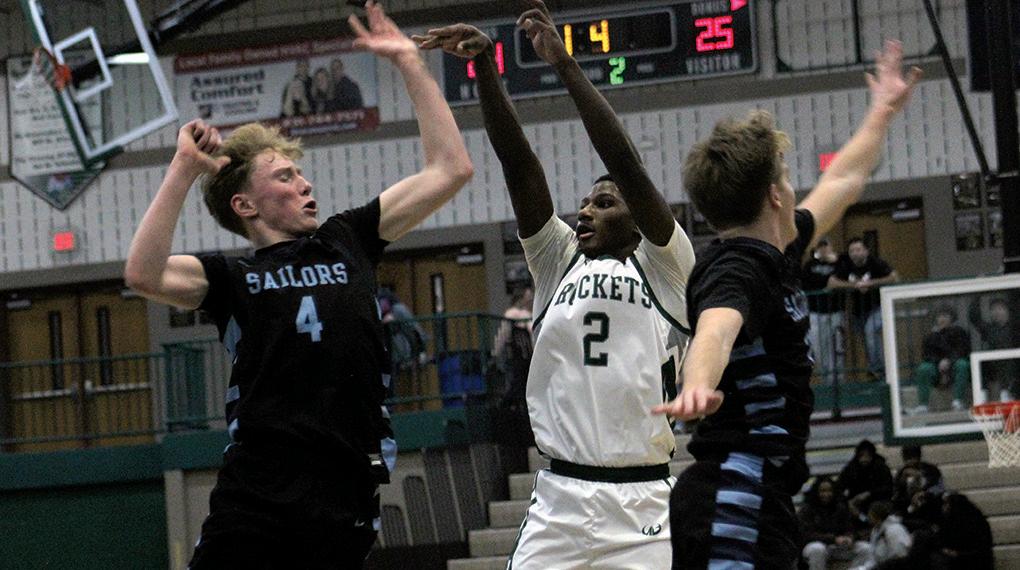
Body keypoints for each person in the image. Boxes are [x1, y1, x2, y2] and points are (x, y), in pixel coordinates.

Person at [123, 3, 473, 567]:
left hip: (344, 488)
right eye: (285, 176)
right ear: (245, 204)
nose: (305, 184)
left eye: (300, 173)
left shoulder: (347, 239)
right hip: (257, 493)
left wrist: (410, 63)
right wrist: (183, 170)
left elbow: (450, 169)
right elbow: (142, 272)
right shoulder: (233, 278)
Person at [415, 1, 696, 565]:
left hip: (643, 501)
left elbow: (626, 163)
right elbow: (520, 166)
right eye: (585, 202)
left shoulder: (667, 265)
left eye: (604, 202)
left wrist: (566, 66)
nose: (585, 210)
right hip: (560, 497)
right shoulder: (558, 259)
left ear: (638, 218)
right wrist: (486, 69)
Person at [654, 40, 920, 569]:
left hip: (758, 491)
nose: (795, 187)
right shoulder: (736, 268)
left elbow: (843, 180)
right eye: (787, 178)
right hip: (733, 495)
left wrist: (882, 111)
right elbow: (715, 330)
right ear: (776, 195)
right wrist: (698, 384)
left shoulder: (778, 249)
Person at [828, 238, 899, 381]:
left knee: (870, 332)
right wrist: (855, 285)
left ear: (866, 251)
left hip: (877, 307)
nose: (855, 253)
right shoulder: (846, 265)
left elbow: (894, 277)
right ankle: (878, 370)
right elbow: (832, 283)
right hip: (858, 311)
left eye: (858, 250)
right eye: (852, 251)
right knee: (868, 341)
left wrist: (870, 283)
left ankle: (879, 371)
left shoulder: (875, 263)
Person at [912, 305, 972, 413]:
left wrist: (949, 361)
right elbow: (927, 355)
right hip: (936, 368)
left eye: (945, 316)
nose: (942, 319)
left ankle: (958, 401)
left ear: (951, 318)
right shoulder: (931, 336)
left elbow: (962, 351)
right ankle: (923, 404)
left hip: (954, 366)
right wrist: (939, 363)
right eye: (939, 316)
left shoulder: (960, 332)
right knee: (923, 369)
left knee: (963, 364)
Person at [799, 476, 868, 570]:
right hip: (815, 545)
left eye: (829, 491)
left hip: (837, 546)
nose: (826, 494)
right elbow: (806, 534)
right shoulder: (807, 509)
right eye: (822, 491)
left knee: (865, 549)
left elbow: (849, 527)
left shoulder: (840, 507)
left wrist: (850, 537)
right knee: (817, 549)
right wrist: (833, 539)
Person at [801, 237, 845, 385]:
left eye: (826, 246)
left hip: (835, 312)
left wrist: (835, 262)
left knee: (837, 348)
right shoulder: (810, 265)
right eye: (821, 246)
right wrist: (827, 284)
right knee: (819, 348)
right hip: (816, 313)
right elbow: (808, 283)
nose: (824, 249)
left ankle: (838, 382)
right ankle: (827, 380)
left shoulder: (839, 263)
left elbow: (844, 277)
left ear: (831, 247)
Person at [837, 440, 895, 534]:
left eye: (868, 455)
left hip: (877, 503)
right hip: (857, 506)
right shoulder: (851, 468)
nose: (865, 459)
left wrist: (869, 494)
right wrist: (848, 503)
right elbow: (838, 488)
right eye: (862, 455)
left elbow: (888, 488)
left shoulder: (880, 467)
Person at [969, 296, 1017, 401]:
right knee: (982, 364)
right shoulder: (989, 329)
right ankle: (982, 394)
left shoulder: (1014, 328)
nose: (996, 312)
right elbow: (974, 317)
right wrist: (977, 295)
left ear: (1007, 311)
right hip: (993, 367)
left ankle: (1008, 391)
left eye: (1000, 308)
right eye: (993, 309)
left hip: (1013, 365)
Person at [848, 501, 912, 570]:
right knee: (861, 546)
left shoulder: (894, 530)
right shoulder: (876, 530)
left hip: (894, 566)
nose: (868, 516)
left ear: (877, 517)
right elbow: (874, 558)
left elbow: (901, 556)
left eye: (870, 514)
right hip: (879, 563)